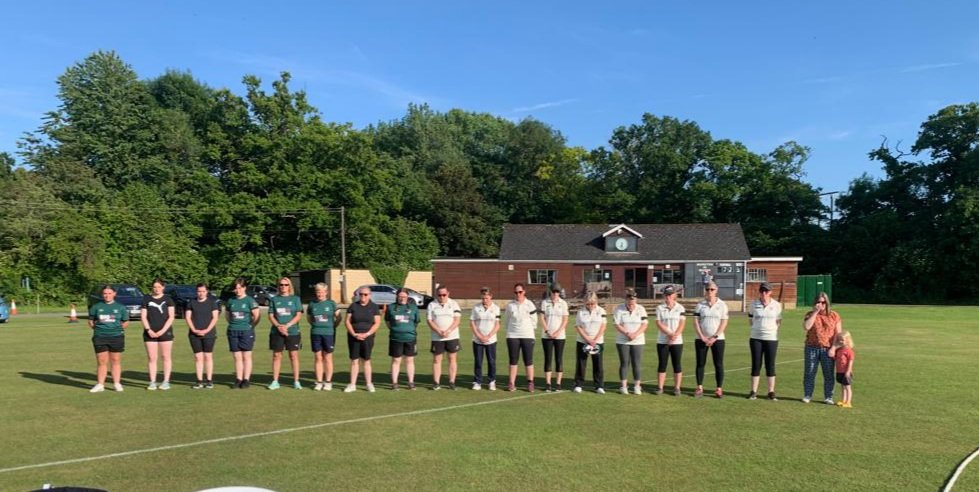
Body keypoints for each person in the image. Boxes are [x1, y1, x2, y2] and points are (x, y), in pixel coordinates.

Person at [802, 291, 842, 404]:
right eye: (818, 302)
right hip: (811, 347)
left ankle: (828, 396)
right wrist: (815, 312)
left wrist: (833, 348)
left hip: (827, 349)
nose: (821, 304)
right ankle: (807, 395)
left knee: (828, 373)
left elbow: (838, 334)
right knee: (809, 372)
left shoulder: (834, 315)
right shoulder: (810, 314)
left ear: (827, 303)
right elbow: (806, 327)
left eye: (823, 302)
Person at [88, 285, 129, 392]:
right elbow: (91, 321)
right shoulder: (96, 306)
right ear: (102, 294)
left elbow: (125, 321)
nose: (107, 295)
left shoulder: (120, 307)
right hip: (100, 337)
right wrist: (98, 329)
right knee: (102, 361)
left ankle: (117, 383)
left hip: (116, 337)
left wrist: (116, 329)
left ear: (114, 294)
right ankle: (100, 384)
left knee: (115, 360)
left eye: (109, 293)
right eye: (105, 293)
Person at [693, 281, 728, 398]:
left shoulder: (722, 305)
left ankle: (718, 389)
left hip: (718, 339)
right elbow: (696, 322)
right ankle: (699, 387)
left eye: (712, 289)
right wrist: (702, 336)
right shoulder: (700, 305)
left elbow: (724, 322)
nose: (709, 291)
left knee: (718, 364)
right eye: (708, 289)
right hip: (701, 339)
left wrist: (715, 337)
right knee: (700, 363)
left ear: (716, 290)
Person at [267, 277, 303, 390]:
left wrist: (287, 326)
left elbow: (298, 315)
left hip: (292, 332)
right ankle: (275, 381)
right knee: (277, 355)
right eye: (281, 285)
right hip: (277, 332)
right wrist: (279, 326)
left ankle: (296, 381)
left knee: (293, 356)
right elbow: (271, 315)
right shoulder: (274, 299)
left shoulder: (295, 299)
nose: (283, 287)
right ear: (278, 286)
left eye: (286, 285)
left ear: (289, 286)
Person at [748, 282, 782, 400]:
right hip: (756, 338)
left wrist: (772, 330)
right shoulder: (753, 304)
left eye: (766, 291)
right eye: (762, 291)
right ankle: (753, 391)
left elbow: (778, 321)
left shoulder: (777, 305)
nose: (764, 293)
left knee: (770, 365)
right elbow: (751, 319)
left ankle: (771, 392)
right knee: (756, 364)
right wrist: (757, 329)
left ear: (770, 292)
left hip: (771, 338)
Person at [141, 278, 176, 390]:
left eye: (159, 287)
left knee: (166, 356)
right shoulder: (146, 299)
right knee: (152, 358)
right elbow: (143, 316)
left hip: (165, 333)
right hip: (149, 333)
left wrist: (162, 331)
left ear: (163, 287)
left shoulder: (168, 299)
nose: (157, 289)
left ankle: (166, 381)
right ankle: (152, 382)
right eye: (155, 287)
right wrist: (149, 330)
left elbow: (171, 317)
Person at [345, 286, 381, 392]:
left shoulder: (374, 307)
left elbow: (377, 322)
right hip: (354, 337)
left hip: (368, 337)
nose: (363, 296)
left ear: (370, 295)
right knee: (354, 360)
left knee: (366, 360)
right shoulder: (353, 306)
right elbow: (347, 321)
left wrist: (367, 333)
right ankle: (352, 384)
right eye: (361, 294)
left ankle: (369, 384)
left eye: (365, 294)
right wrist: (354, 334)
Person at [226, 277, 260, 389]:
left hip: (246, 331)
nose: (238, 290)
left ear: (244, 288)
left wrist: (251, 326)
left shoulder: (250, 300)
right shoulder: (231, 301)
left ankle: (246, 379)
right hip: (233, 330)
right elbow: (227, 316)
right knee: (237, 356)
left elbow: (256, 316)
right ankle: (238, 379)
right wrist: (233, 324)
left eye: (240, 288)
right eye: (236, 288)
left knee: (246, 356)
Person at [504, 282, 537, 392]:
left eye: (520, 292)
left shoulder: (530, 304)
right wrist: (511, 332)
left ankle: (530, 383)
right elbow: (507, 321)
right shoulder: (510, 305)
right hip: (513, 335)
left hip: (527, 335)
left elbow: (534, 321)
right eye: (516, 292)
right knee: (513, 360)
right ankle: (511, 383)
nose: (518, 294)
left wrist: (527, 330)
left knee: (528, 360)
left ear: (524, 292)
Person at [185, 283, 220, 389]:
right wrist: (194, 330)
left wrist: (206, 330)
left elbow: (215, 318)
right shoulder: (191, 302)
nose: (201, 293)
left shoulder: (212, 303)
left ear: (207, 291)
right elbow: (188, 317)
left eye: (203, 291)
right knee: (198, 357)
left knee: (208, 356)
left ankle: (209, 380)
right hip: (194, 334)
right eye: (199, 291)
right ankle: (199, 381)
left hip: (209, 334)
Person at [427, 285, 462, 390]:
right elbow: (429, 321)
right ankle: (436, 382)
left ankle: (452, 382)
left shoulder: (454, 304)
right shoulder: (432, 305)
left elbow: (457, 320)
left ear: (448, 293)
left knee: (452, 359)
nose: (442, 297)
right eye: (439, 295)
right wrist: (438, 331)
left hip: (452, 336)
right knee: (437, 360)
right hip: (437, 337)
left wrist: (448, 331)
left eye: (444, 294)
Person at [614, 289, 648, 395]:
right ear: (626, 298)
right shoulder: (619, 309)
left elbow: (644, 324)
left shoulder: (641, 309)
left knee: (636, 364)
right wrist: (627, 333)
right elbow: (617, 324)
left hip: (638, 340)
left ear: (636, 299)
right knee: (624, 363)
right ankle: (623, 386)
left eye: (633, 298)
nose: (631, 301)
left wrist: (635, 334)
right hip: (622, 340)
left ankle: (637, 386)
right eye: (629, 298)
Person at [307, 283, 340, 391]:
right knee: (318, 357)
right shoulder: (312, 304)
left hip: (329, 333)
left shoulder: (331, 303)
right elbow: (309, 319)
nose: (320, 294)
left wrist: (332, 326)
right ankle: (319, 381)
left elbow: (339, 317)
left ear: (326, 292)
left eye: (322, 291)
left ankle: (328, 382)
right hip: (316, 333)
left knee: (328, 357)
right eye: (318, 291)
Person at [386, 288, 420, 390]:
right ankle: (395, 383)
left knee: (409, 360)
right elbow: (388, 321)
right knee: (396, 360)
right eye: (400, 296)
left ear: (407, 297)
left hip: (410, 338)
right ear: (397, 296)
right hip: (395, 338)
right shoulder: (391, 307)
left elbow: (416, 322)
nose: (402, 299)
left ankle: (410, 382)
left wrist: (408, 330)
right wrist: (396, 329)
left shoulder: (413, 307)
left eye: (404, 297)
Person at [655, 285, 685, 396]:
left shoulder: (680, 308)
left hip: (677, 341)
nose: (668, 296)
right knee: (662, 364)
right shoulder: (660, 308)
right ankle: (660, 387)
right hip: (663, 340)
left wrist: (675, 335)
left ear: (674, 295)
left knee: (677, 364)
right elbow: (658, 323)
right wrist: (669, 333)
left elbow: (682, 323)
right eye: (666, 294)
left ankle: (677, 388)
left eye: (670, 294)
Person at [573, 292, 606, 394]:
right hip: (583, 341)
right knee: (581, 363)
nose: (590, 306)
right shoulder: (580, 312)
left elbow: (603, 326)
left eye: (592, 303)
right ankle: (578, 384)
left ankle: (599, 386)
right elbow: (578, 327)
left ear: (596, 302)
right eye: (588, 304)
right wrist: (588, 339)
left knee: (598, 364)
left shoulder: (601, 311)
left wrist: (595, 340)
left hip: (597, 341)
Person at [540, 283, 569, 392]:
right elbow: (542, 318)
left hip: (560, 336)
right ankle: (548, 384)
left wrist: (558, 332)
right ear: (550, 292)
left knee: (559, 359)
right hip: (546, 336)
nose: (556, 294)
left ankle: (558, 384)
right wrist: (547, 330)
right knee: (548, 359)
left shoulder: (563, 304)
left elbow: (565, 320)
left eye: (558, 292)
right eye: (554, 291)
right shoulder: (544, 302)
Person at [470, 287, 501, 391]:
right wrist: (479, 336)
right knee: (478, 361)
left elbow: (497, 325)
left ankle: (492, 381)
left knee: (491, 361)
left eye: (486, 298)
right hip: (477, 340)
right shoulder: (476, 308)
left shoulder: (496, 308)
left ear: (491, 296)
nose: (484, 300)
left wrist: (488, 336)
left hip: (491, 340)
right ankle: (477, 381)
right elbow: (472, 323)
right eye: (483, 298)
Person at [829, 331, 855, 408]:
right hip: (839, 371)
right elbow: (836, 358)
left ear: (847, 340)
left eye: (842, 340)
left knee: (847, 387)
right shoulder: (839, 350)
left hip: (846, 372)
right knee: (842, 386)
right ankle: (843, 400)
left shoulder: (849, 351)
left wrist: (848, 371)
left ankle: (848, 402)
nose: (840, 341)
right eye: (839, 340)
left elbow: (850, 361)